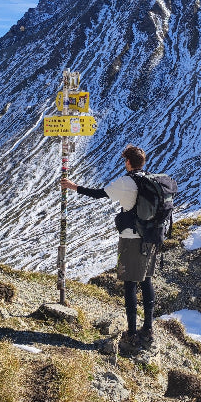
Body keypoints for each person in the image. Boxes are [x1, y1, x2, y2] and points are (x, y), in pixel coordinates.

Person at [61, 144, 156, 354]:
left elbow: (99, 194)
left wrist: (73, 186)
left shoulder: (126, 182)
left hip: (131, 239)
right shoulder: (151, 179)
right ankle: (148, 329)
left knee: (130, 285)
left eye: (125, 160)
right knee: (147, 281)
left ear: (128, 162)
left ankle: (131, 333)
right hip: (150, 237)